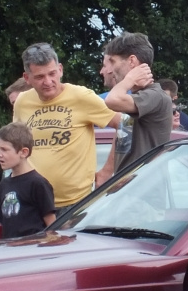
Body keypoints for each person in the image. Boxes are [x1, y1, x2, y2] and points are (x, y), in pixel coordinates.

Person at [12, 42, 120, 214]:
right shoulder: (22, 102)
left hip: (75, 204)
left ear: (60, 70)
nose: (48, 82)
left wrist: (107, 171)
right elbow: (17, 145)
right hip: (33, 202)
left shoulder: (81, 97)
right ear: (27, 78)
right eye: (39, 77)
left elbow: (123, 126)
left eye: (52, 73)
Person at [98, 32, 174, 185]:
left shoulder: (155, 96)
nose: (111, 69)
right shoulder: (136, 97)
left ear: (132, 61)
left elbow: (111, 100)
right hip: (128, 193)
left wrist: (130, 79)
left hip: (144, 194)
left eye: (113, 61)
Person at [0, 123, 58, 238]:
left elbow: (52, 226)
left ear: (24, 152)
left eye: (4, 149)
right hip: (9, 246)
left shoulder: (38, 183)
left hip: (32, 246)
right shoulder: (4, 183)